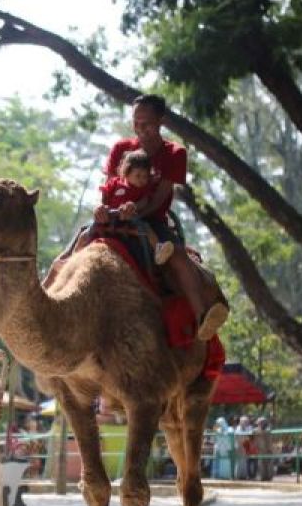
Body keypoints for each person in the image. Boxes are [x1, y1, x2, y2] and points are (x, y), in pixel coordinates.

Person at [96, 94, 229, 341]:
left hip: (151, 219)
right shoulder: (121, 149)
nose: (140, 129)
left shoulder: (175, 153)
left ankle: (203, 316)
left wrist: (135, 213)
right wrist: (106, 211)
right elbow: (109, 187)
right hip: (112, 219)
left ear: (161, 121)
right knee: (80, 244)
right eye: (136, 123)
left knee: (177, 256)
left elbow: (159, 198)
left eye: (146, 123)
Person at [96, 149, 174, 269]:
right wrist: (102, 208)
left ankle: (158, 248)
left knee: (145, 227)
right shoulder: (114, 184)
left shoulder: (143, 189)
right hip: (109, 219)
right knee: (87, 231)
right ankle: (73, 252)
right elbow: (105, 197)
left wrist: (134, 206)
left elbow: (144, 201)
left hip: (131, 221)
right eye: (137, 175)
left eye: (145, 176)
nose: (141, 180)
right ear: (127, 173)